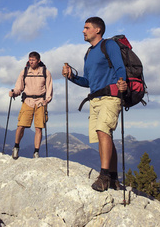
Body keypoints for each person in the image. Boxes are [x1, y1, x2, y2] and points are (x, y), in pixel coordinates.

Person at [62, 17, 127, 192]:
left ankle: (104, 176)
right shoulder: (88, 53)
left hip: (111, 96)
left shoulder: (109, 45)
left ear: (97, 30)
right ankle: (113, 178)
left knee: (102, 130)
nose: (83, 31)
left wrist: (122, 81)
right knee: (102, 136)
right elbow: (88, 81)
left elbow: (120, 67)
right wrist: (72, 77)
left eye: (86, 27)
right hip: (95, 99)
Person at [9, 51, 53, 159]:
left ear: (38, 61)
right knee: (21, 126)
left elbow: (49, 88)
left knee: (39, 127)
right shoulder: (24, 71)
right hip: (27, 101)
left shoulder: (45, 72)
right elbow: (19, 87)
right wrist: (14, 92)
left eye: (33, 60)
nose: (31, 62)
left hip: (40, 102)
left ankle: (36, 152)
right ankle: (16, 147)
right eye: (30, 59)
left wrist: (47, 100)